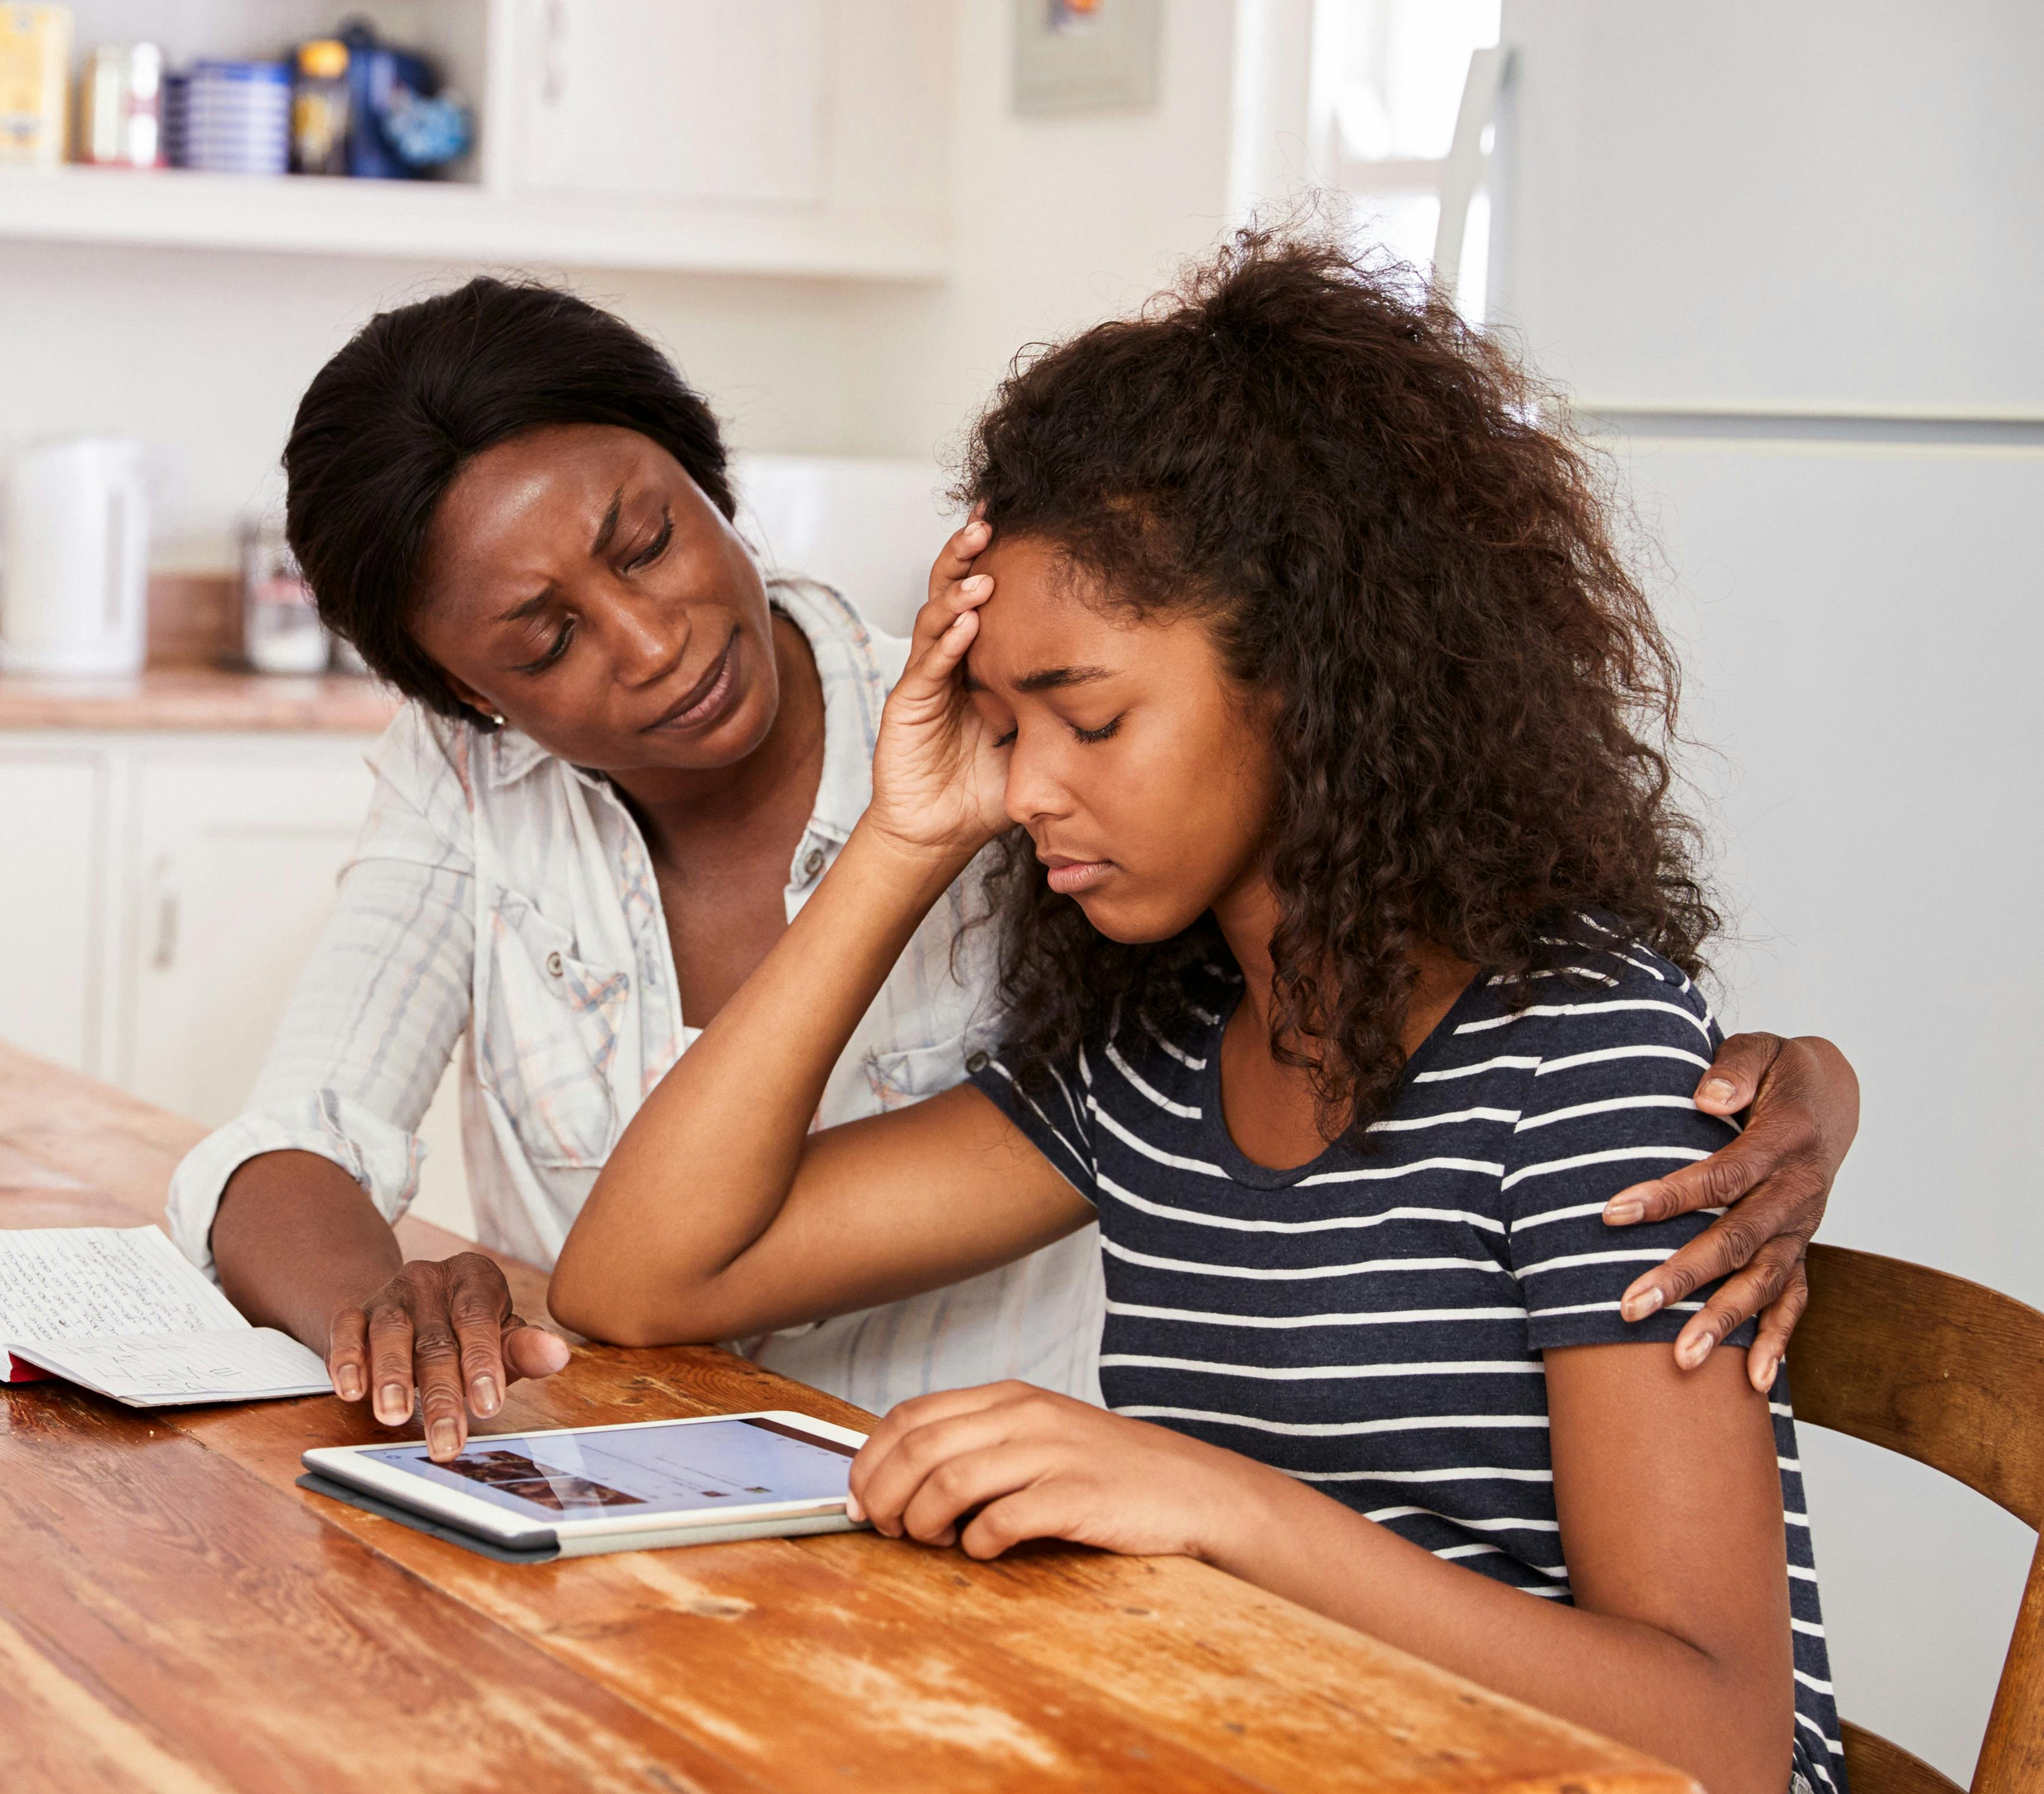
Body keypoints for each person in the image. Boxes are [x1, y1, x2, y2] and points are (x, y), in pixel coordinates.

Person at [548, 233, 1846, 1794]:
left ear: (1312, 680)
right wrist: (901, 838)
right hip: (1311, 1789)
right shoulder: (1158, 1059)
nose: (1026, 793)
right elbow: (634, 1282)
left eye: (1087, 720)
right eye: (1003, 729)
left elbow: (1724, 1768)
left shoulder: (1575, 1062)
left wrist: (1215, 1508)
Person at [166, 275, 1862, 1465]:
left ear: (705, 477)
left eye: (651, 538)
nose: (654, 637)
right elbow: (352, 1163)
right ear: (475, 695)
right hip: (700, 1526)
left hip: (1011, 1550)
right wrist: (389, 1314)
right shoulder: (484, 793)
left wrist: (1795, 1085)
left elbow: (1444, 978)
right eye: (544, 639)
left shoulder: (1033, 734)